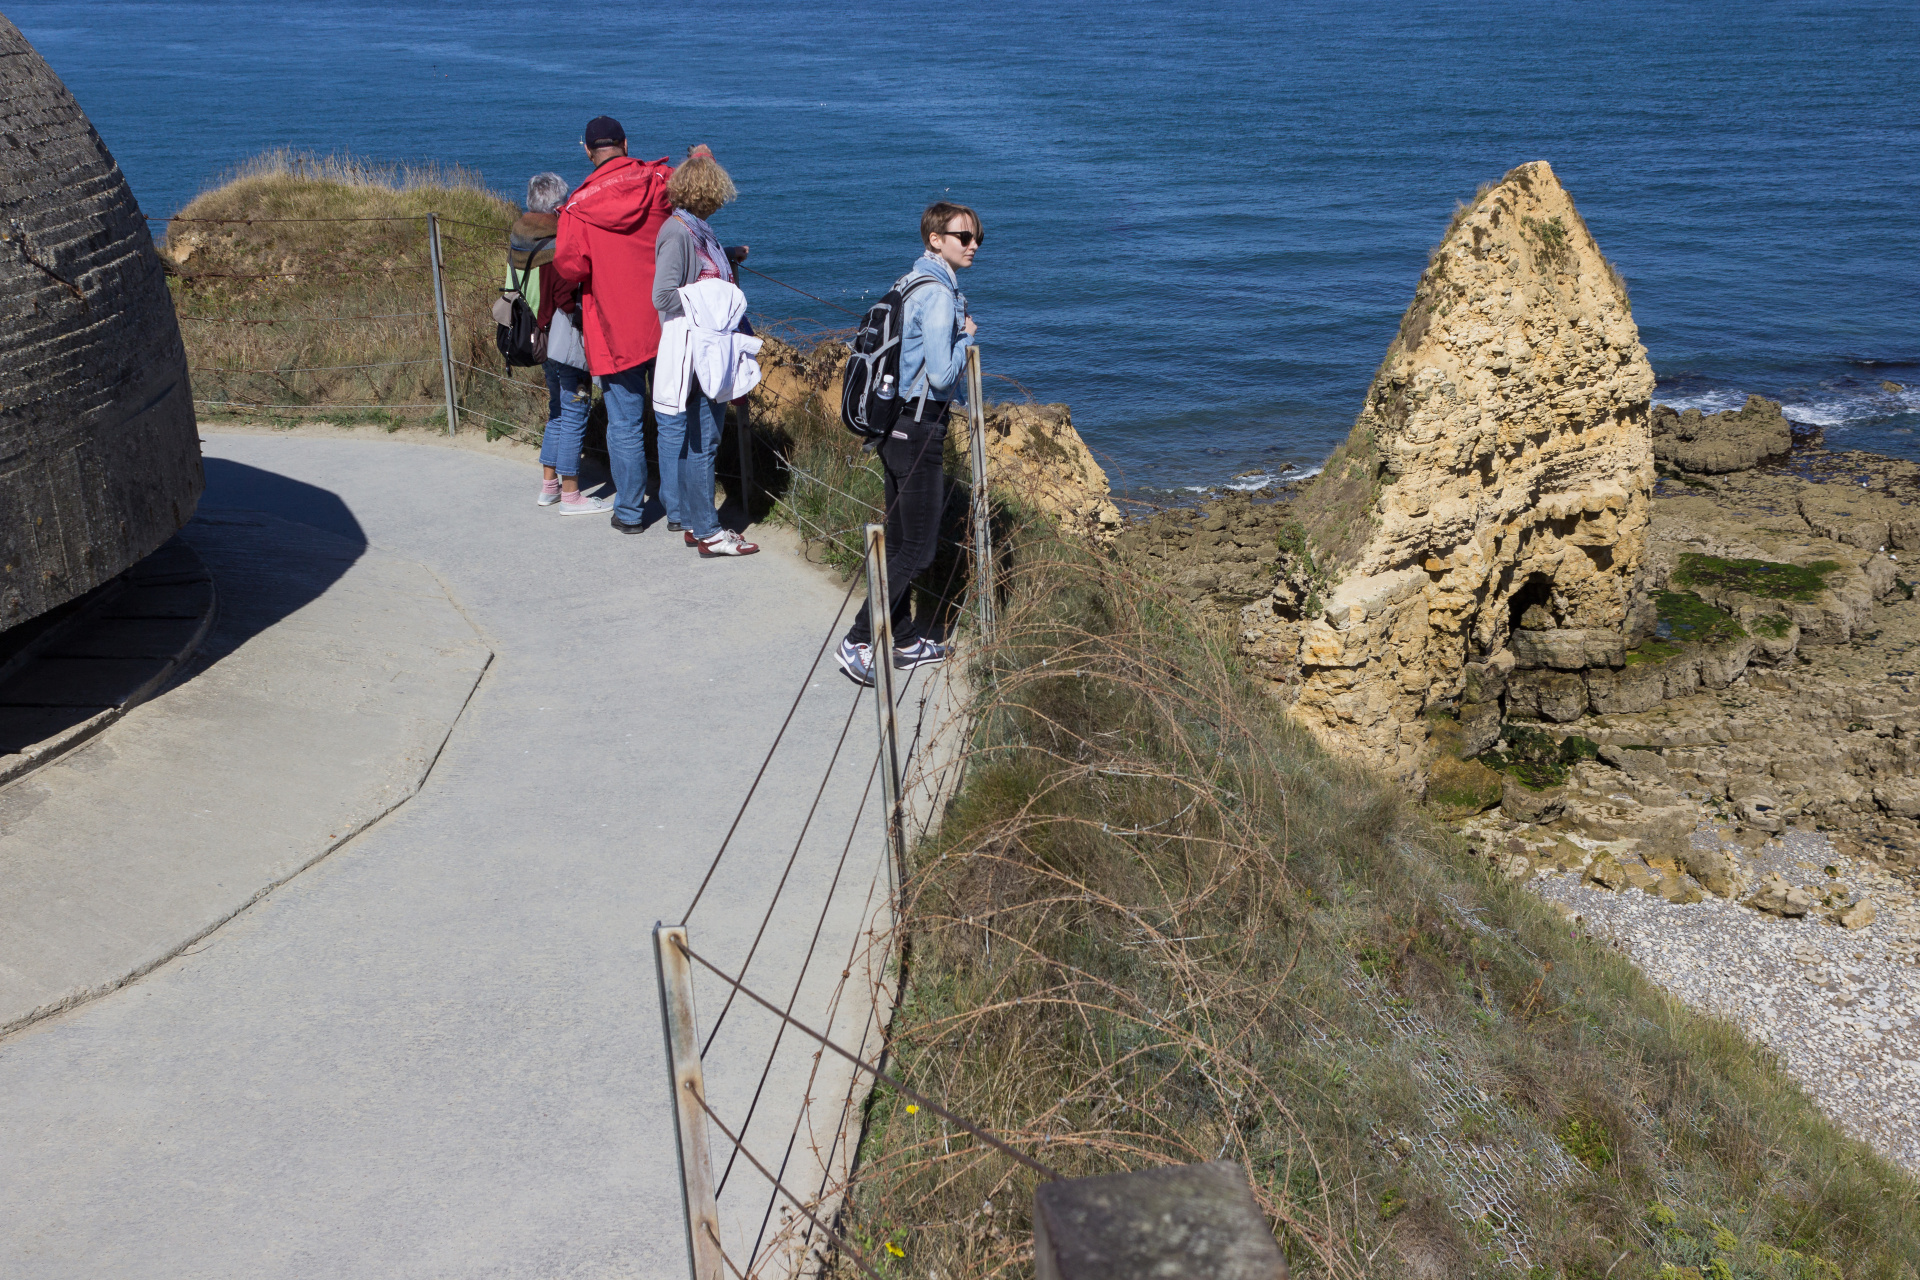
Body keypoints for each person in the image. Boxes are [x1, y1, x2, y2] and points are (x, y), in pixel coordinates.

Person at [836, 201, 981, 686]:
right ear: (936, 239)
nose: (974, 246)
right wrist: (965, 338)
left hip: (892, 425)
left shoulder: (909, 282)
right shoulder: (938, 294)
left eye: (978, 238)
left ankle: (902, 639)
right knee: (917, 551)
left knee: (898, 542)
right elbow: (940, 375)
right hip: (920, 429)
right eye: (965, 237)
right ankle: (857, 640)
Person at [552, 116, 676, 535]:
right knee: (673, 416)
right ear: (626, 143)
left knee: (625, 424)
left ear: (588, 151)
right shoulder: (660, 181)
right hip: (669, 320)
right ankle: (679, 510)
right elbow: (697, 203)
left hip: (614, 327)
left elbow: (570, 267)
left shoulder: (578, 208)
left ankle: (630, 512)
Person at [650, 146, 757, 557]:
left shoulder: (696, 228)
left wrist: (727, 257)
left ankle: (697, 523)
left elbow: (697, 273)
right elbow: (663, 295)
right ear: (708, 192)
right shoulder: (678, 232)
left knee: (700, 438)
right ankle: (709, 532)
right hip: (698, 350)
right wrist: (714, 297)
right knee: (705, 440)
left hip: (705, 347)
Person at [512, 172, 611, 515]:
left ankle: (549, 486)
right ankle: (571, 495)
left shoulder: (521, 236)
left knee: (557, 410)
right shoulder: (556, 242)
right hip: (564, 339)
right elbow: (566, 298)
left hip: (539, 337)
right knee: (574, 412)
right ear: (557, 207)